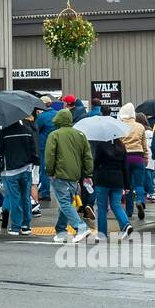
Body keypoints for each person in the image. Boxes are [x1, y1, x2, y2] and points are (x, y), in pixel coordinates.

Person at [45, 108, 93, 243]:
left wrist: (50, 171)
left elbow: (50, 155)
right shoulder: (81, 135)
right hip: (75, 175)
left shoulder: (54, 135)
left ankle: (80, 227)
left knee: (64, 203)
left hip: (59, 174)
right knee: (65, 203)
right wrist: (87, 173)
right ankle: (61, 230)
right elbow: (87, 157)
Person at [0, 115, 37, 236]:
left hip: (11, 171)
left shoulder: (3, 133)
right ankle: (26, 226)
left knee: (15, 198)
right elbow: (33, 150)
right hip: (26, 169)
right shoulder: (27, 131)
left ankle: (15, 226)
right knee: (25, 197)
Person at [93, 137, 132, 240]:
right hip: (118, 180)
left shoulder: (101, 146)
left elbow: (96, 163)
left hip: (103, 179)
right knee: (116, 205)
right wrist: (127, 185)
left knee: (102, 208)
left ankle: (102, 234)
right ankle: (126, 224)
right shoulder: (122, 147)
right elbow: (125, 167)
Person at [119, 102, 149, 221]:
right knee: (139, 184)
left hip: (125, 157)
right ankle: (140, 201)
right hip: (138, 156)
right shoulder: (140, 127)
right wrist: (145, 156)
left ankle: (129, 210)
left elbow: (118, 143)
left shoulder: (120, 125)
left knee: (128, 185)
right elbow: (144, 144)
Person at [35, 97, 57, 202]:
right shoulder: (57, 114)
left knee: (44, 170)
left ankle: (45, 192)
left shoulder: (42, 117)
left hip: (44, 146)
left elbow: (36, 129)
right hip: (57, 145)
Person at [136, 111, 155, 202]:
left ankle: (151, 192)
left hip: (145, 155)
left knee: (147, 175)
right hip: (151, 156)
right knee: (149, 175)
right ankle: (149, 192)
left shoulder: (144, 131)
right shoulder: (150, 130)